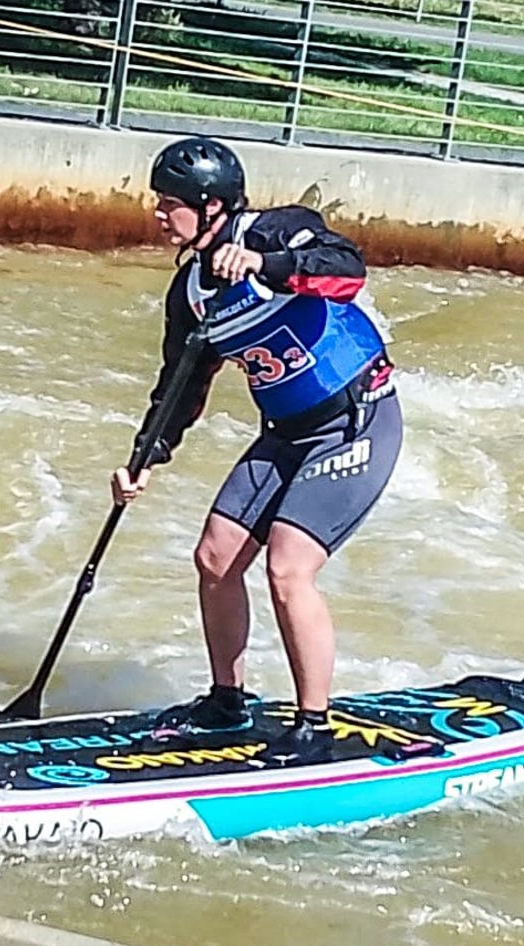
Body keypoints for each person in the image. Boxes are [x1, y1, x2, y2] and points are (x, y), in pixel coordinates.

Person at [111, 136, 402, 767]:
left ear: (211, 206)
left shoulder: (279, 231)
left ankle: (314, 725)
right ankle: (227, 701)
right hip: (287, 432)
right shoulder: (189, 292)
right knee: (215, 559)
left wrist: (265, 266)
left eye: (170, 204)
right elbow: (181, 386)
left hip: (358, 421)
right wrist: (144, 459)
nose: (159, 215)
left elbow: (347, 270)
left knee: (288, 568)